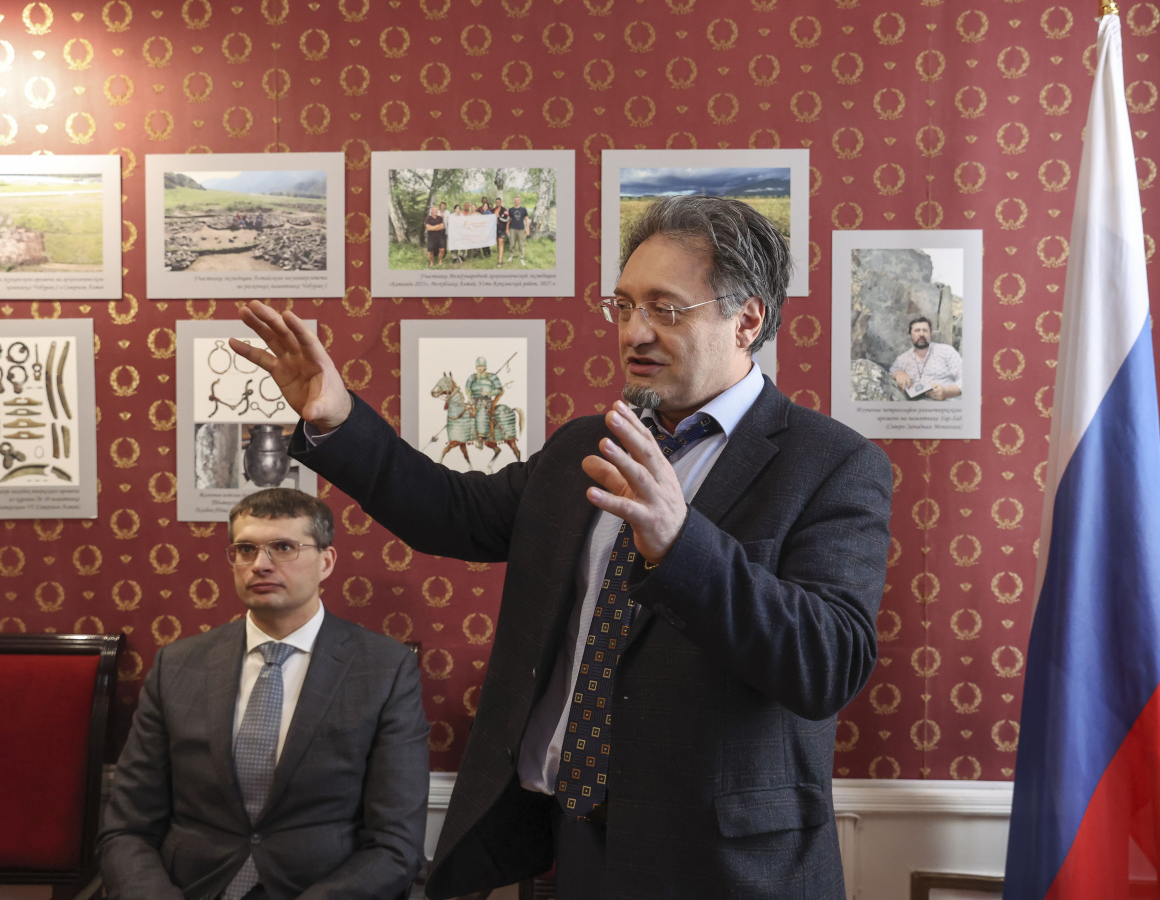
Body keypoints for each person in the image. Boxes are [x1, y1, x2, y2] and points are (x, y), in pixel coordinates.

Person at [230, 196, 893, 900]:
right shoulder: (587, 444)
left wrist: (679, 543)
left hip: (727, 868)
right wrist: (336, 417)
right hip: (571, 843)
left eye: (665, 309)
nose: (634, 332)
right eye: (623, 306)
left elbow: (828, 663)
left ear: (747, 321)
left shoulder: (831, 463)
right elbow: (451, 514)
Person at [97, 488, 429, 900]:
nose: (260, 564)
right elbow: (127, 829)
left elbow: (396, 845)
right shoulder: (176, 665)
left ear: (326, 562)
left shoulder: (385, 669)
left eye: (283, 548)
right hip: (190, 888)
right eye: (245, 549)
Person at [889, 315, 963, 401]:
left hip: (947, 403)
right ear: (910, 335)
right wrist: (899, 373)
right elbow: (890, 373)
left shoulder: (946, 351)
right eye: (917, 330)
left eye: (925, 330)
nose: (921, 334)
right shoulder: (902, 359)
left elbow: (966, 377)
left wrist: (947, 392)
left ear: (930, 334)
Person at [465, 356, 504, 441]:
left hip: (486, 402)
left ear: (485, 367)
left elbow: (499, 390)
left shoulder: (492, 377)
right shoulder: (472, 377)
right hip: (473, 400)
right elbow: (468, 388)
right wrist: (469, 397)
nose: (479, 368)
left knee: (482, 412)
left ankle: (482, 436)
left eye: (481, 366)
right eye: (478, 366)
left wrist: (489, 393)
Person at [507, 193, 531, 267]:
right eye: (515, 200)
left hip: (521, 229)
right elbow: (509, 220)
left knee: (521, 244)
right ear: (514, 201)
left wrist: (528, 229)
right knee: (512, 244)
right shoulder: (510, 210)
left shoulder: (523, 209)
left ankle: (521, 258)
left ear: (520, 201)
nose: (516, 201)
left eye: (517, 200)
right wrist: (507, 229)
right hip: (512, 229)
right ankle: (511, 256)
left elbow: (526, 219)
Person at [494, 195, 509, 267]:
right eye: (496, 202)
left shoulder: (504, 210)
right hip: (495, 229)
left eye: (499, 202)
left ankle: (500, 261)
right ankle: (499, 256)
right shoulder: (494, 209)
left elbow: (507, 219)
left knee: (501, 243)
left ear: (501, 202)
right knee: (498, 243)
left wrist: (499, 217)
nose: (498, 203)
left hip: (502, 228)